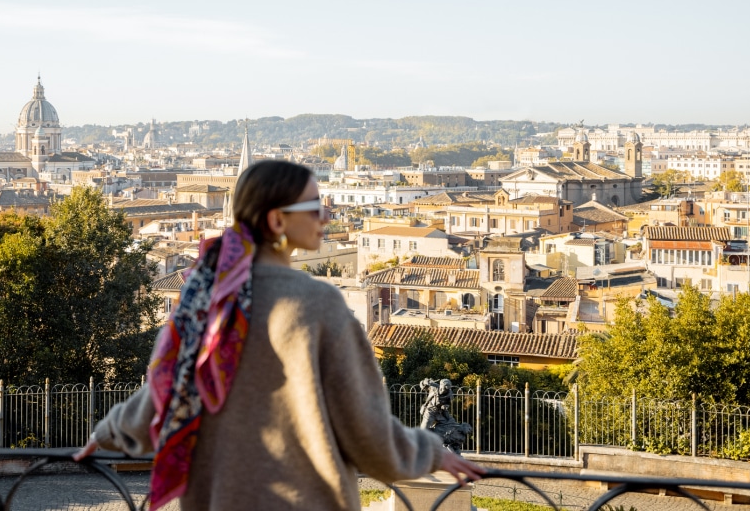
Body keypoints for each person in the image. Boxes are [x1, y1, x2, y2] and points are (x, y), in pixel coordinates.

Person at [73, 160, 484, 510]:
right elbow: (366, 433)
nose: (326, 217)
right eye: (315, 207)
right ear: (276, 220)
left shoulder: (209, 296)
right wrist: (433, 453)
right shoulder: (318, 303)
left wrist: (107, 433)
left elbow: (171, 388)